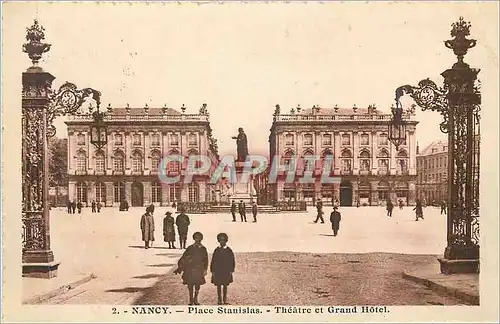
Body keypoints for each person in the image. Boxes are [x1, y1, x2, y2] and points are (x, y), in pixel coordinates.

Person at [173, 232, 208, 305]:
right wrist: (180, 267)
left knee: (197, 285)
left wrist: (205, 269)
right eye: (196, 238)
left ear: (201, 239)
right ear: (194, 238)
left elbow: (206, 260)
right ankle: (191, 299)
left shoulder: (203, 249)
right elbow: (184, 257)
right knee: (190, 285)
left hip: (199, 269)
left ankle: (196, 299)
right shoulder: (190, 248)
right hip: (190, 269)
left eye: (199, 238)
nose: (198, 239)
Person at [210, 233, 235, 305]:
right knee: (218, 285)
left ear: (226, 240)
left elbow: (232, 261)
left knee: (225, 285)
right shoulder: (216, 250)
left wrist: (231, 270)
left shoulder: (229, 250)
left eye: (223, 240)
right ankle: (219, 300)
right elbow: (213, 260)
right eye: (220, 240)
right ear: (218, 241)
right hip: (218, 271)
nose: (222, 241)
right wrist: (212, 270)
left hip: (226, 271)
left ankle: (224, 300)